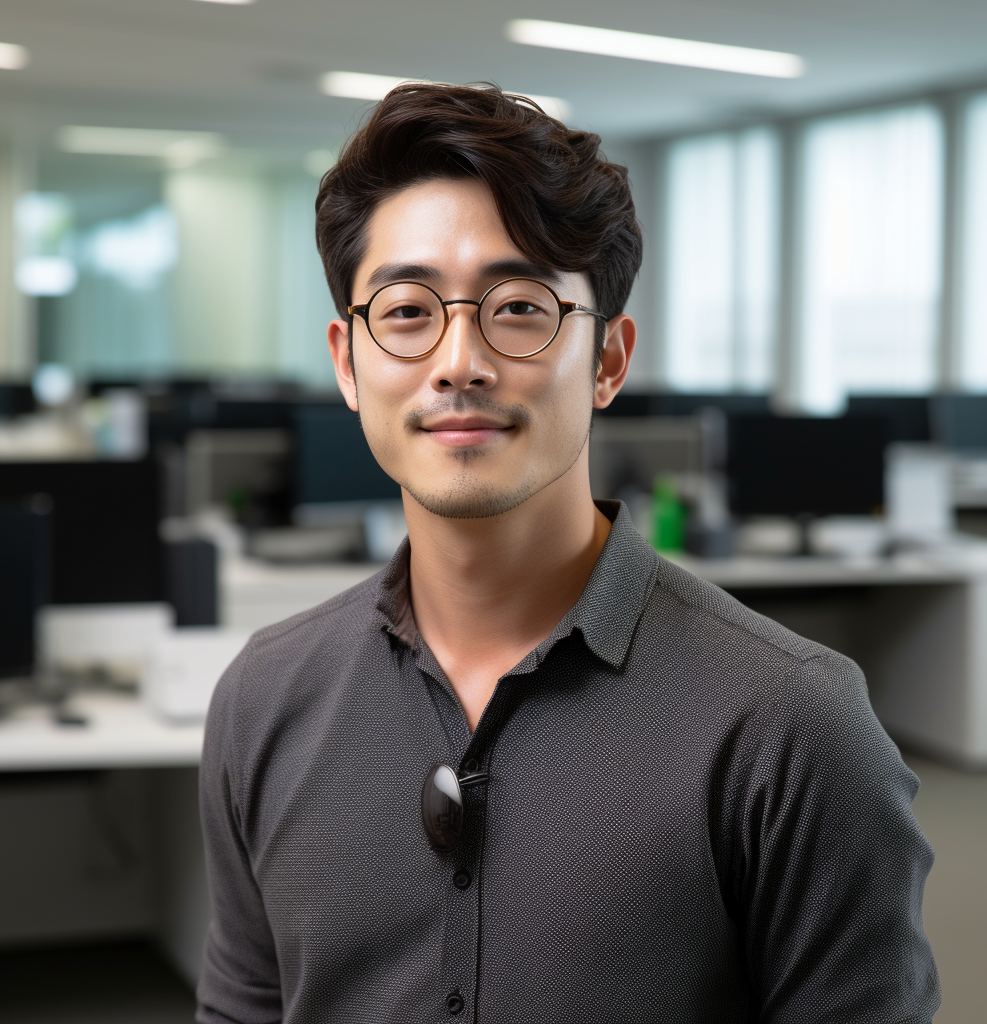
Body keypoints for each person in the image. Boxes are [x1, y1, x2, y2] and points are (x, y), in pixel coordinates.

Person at [197, 83, 940, 1023]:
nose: (458, 358)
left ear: (608, 361)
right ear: (349, 362)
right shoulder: (264, 699)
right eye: (407, 310)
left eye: (519, 307)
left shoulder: (792, 727)